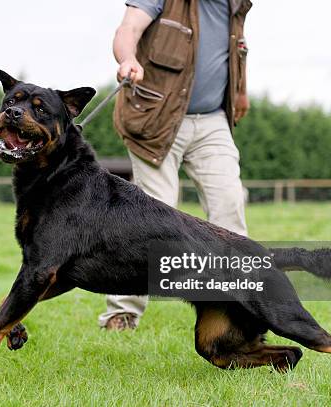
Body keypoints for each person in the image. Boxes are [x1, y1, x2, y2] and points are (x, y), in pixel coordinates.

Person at [99, 0, 252, 330]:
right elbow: (128, 29)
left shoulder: (237, 4)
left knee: (230, 204)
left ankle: (238, 311)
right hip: (157, 118)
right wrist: (127, 58)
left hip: (213, 120)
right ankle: (122, 312)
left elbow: (234, 51)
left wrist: (240, 92)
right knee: (150, 219)